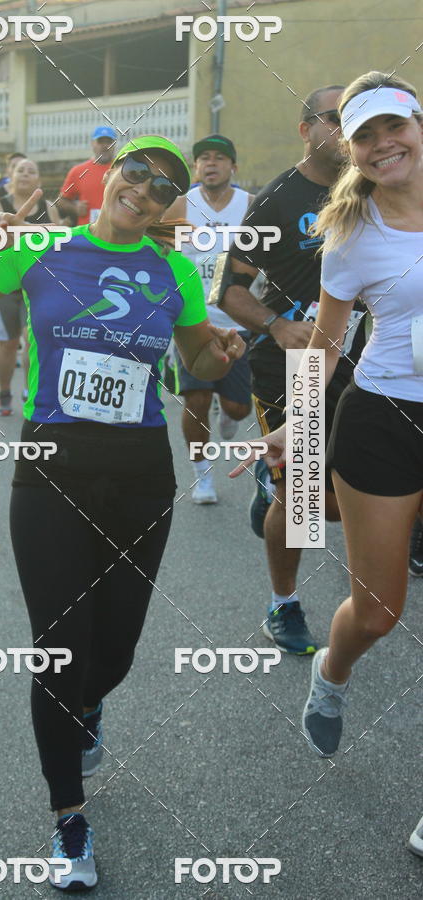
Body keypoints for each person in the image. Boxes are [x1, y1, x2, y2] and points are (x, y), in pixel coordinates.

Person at [0, 134, 245, 890]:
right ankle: (68, 817)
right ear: (109, 176)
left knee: (118, 649)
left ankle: (90, 705)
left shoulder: (171, 272)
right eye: (137, 173)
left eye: (165, 187)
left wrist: (218, 354)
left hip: (138, 475)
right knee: (59, 648)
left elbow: (193, 359)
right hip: (50, 470)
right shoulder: (42, 247)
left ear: (170, 204)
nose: (146, 190)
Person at [232, 72, 423, 758]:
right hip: (385, 419)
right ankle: (331, 669)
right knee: (376, 616)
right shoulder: (350, 232)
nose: (383, 144)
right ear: (351, 147)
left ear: (419, 126)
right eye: (364, 134)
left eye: (394, 126)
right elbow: (325, 343)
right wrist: (295, 421)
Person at [220, 84, 368, 655]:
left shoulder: (373, 188)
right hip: (290, 367)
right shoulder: (278, 199)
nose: (347, 129)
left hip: (362, 365)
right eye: (335, 118)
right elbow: (230, 291)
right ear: (305, 129)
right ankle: (283, 605)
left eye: (352, 118)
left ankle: (273, 480)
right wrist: (277, 326)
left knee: (365, 484)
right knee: (304, 502)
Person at [163, 134, 254, 503]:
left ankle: (229, 415)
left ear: (233, 166)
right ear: (196, 167)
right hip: (193, 320)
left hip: (239, 319)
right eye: (204, 159)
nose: (211, 164)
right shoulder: (181, 205)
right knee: (196, 398)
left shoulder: (251, 205)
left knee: (238, 407)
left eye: (219, 157)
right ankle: (202, 474)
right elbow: (159, 251)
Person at [0, 157, 61, 415]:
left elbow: (59, 247)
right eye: (20, 170)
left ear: (38, 180)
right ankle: (4, 393)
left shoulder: (49, 208)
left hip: (38, 288)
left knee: (32, 340)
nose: (25, 174)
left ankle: (30, 390)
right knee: (7, 343)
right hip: (2, 288)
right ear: (10, 176)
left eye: (31, 171)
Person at [57, 126, 117, 225]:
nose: (105, 146)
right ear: (93, 144)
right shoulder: (78, 171)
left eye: (109, 142)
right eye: (100, 142)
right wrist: (75, 208)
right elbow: (61, 201)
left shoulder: (122, 169)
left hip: (117, 232)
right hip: (88, 233)